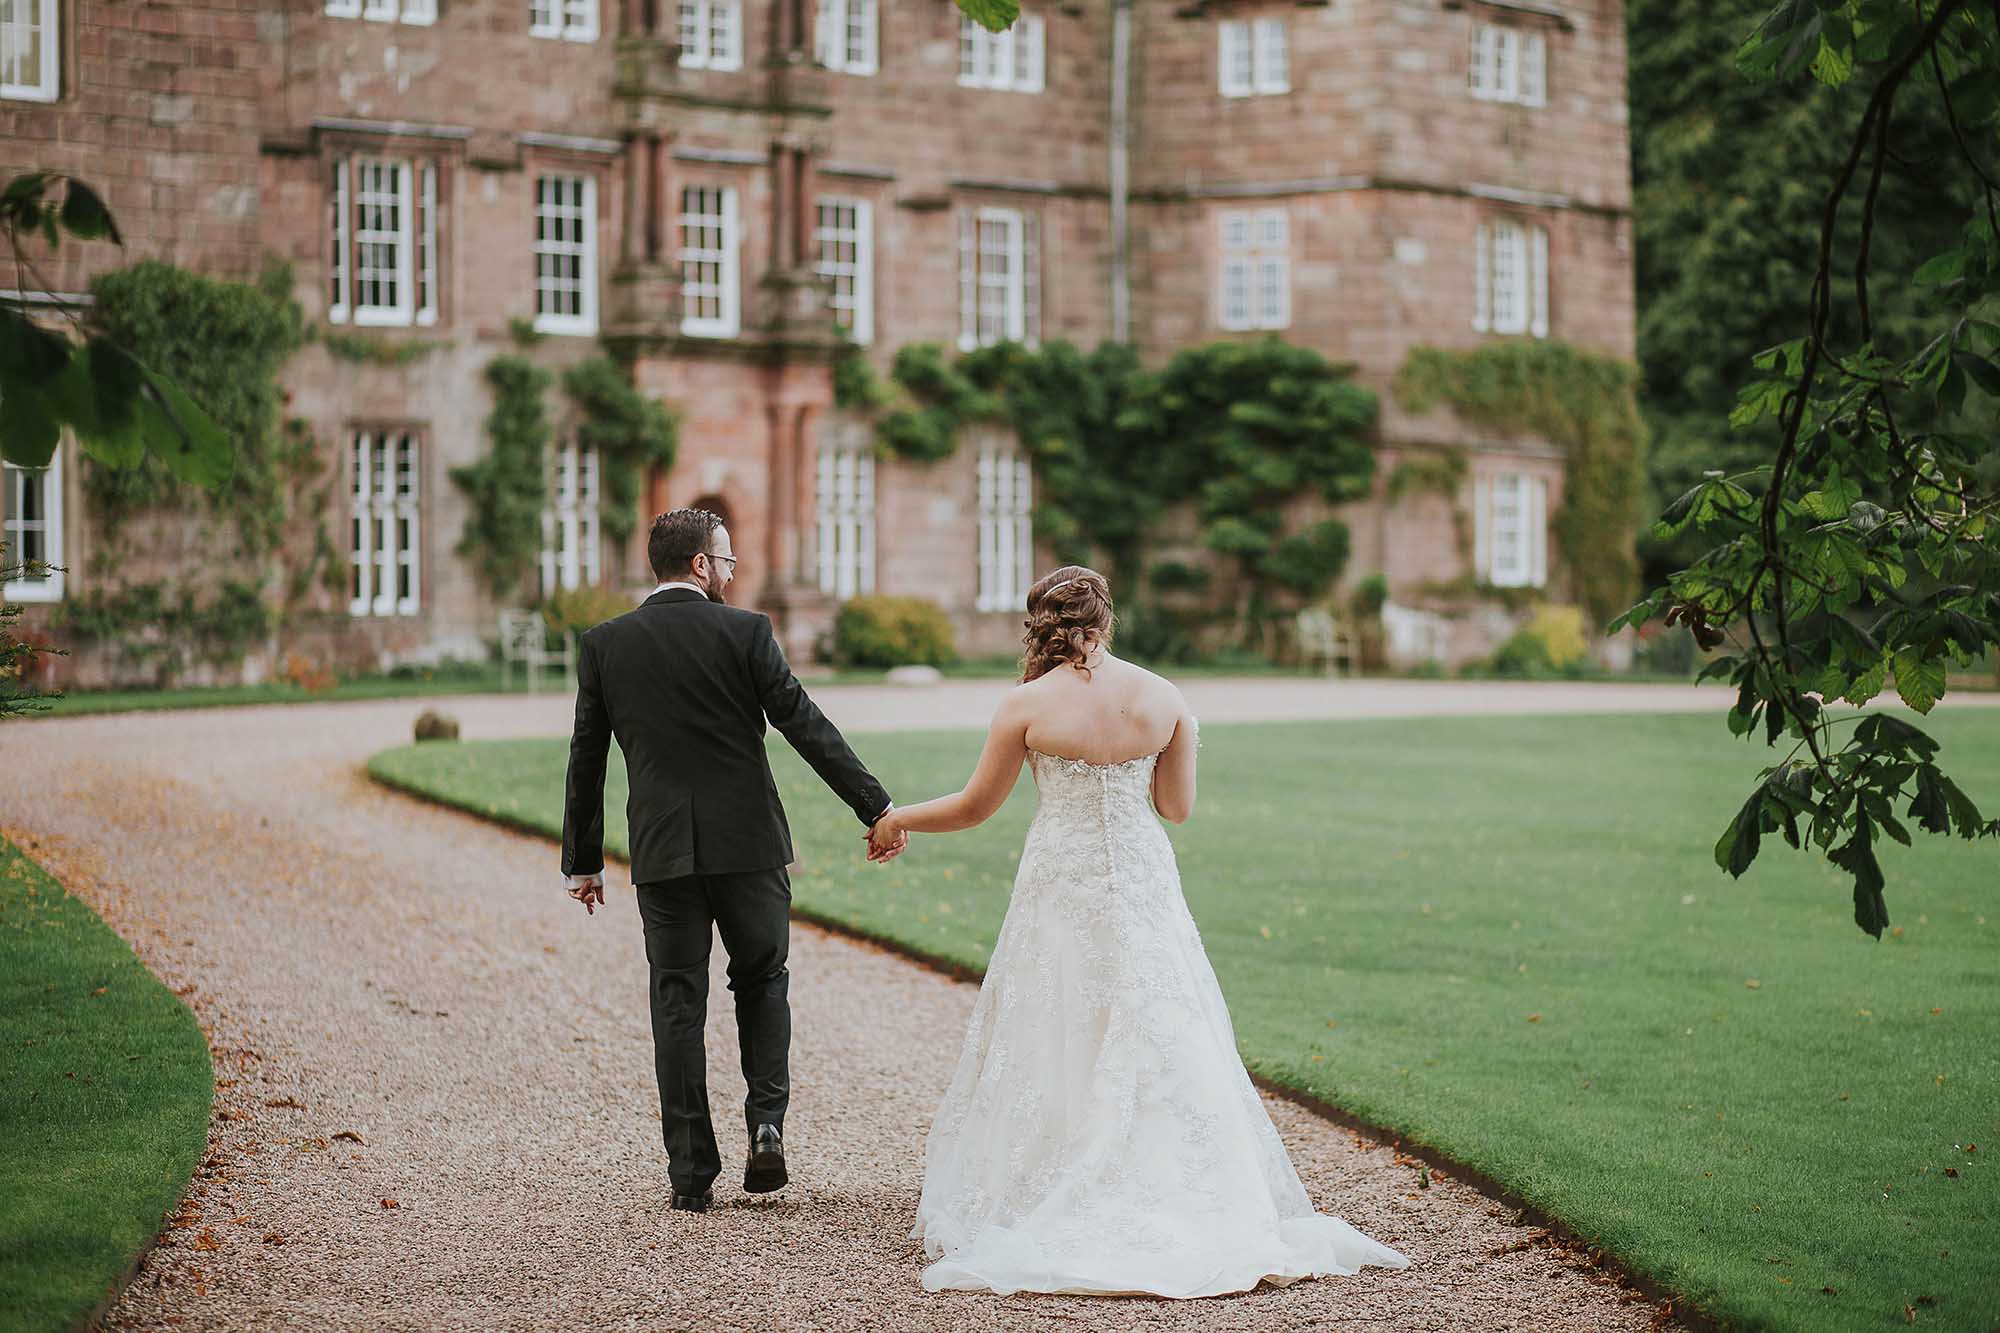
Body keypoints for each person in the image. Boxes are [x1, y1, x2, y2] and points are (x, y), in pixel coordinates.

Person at [866, 565, 1410, 1297]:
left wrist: (898, 816)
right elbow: (1175, 807)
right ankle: (1181, 1183)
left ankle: (1059, 1181)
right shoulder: (1164, 696)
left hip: (1062, 882)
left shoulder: (1025, 704)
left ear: (1043, 625)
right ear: (1107, 619)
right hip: (1143, 885)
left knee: (1059, 1022)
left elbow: (973, 806)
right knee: (1161, 1021)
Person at [562, 508, 907, 1213]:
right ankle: (767, 1129)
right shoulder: (746, 631)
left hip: (663, 850)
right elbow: (804, 723)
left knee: (677, 1003)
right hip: (750, 845)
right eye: (725, 561)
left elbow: (586, 757)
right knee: (762, 980)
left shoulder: (606, 643)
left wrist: (583, 860)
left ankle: (690, 1171)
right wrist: (875, 805)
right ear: (698, 565)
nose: (729, 572)